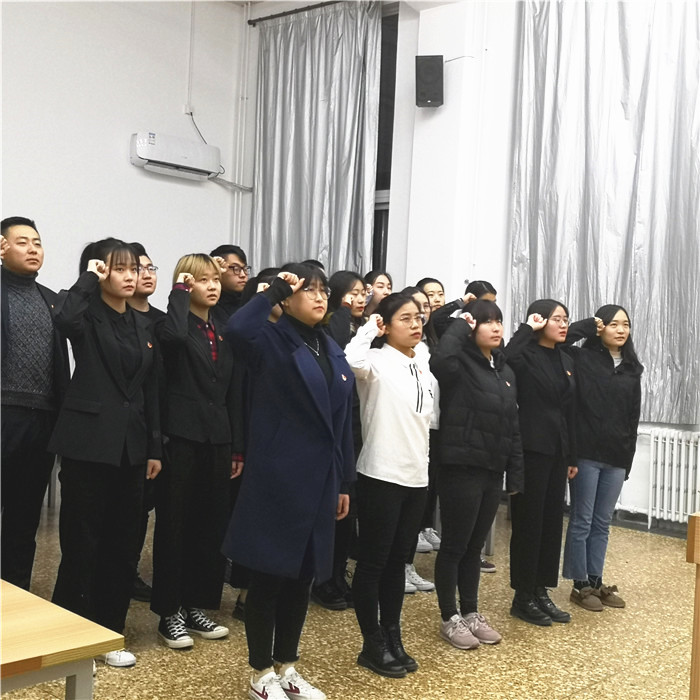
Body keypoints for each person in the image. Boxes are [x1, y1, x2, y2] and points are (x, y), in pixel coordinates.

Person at [222, 265, 355, 700]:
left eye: (323, 291)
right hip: (278, 477)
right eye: (308, 290)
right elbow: (236, 329)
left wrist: (344, 482)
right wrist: (274, 291)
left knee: (302, 579)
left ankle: (287, 666)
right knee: (269, 577)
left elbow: (342, 423)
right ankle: (260, 672)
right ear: (288, 297)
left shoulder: (329, 345)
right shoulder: (270, 339)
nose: (319, 297)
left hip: (321, 479)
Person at [49, 238, 162, 667]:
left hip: (132, 448)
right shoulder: (84, 313)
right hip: (89, 444)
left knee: (123, 545)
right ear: (100, 272)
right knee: (82, 542)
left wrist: (153, 447)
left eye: (135, 268)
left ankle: (109, 632)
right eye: (120, 268)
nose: (131, 276)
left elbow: (148, 390)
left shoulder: (142, 324)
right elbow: (63, 319)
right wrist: (88, 279)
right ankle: (70, 635)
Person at [150, 254, 241, 649]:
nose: (212, 286)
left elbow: (233, 390)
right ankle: (168, 612)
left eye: (215, 279)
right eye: (202, 280)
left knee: (210, 526)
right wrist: (179, 292)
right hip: (182, 436)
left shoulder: (222, 328)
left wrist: (237, 446)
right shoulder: (173, 323)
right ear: (186, 284)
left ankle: (194, 605)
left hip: (218, 438)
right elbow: (171, 338)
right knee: (175, 526)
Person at [345, 293, 436, 678]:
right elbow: (351, 360)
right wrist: (371, 327)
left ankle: (392, 636)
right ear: (386, 325)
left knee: (399, 562)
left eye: (418, 317)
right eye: (405, 318)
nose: (415, 324)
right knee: (373, 563)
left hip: (416, 477)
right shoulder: (375, 361)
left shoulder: (423, 361)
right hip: (381, 475)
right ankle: (372, 643)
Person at [430, 300, 523, 649]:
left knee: (474, 547)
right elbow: (439, 360)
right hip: (461, 465)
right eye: (487, 322)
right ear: (472, 329)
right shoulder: (458, 363)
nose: (496, 327)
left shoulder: (504, 370)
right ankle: (449, 617)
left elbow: (513, 426)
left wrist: (515, 474)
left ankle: (470, 612)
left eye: (499, 321)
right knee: (454, 545)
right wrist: (460, 323)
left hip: (492, 469)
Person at [0, 217, 70, 590]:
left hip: (42, 421)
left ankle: (15, 595)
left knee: (24, 520)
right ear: (2, 247)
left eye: (37, 243)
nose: (32, 249)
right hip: (3, 414)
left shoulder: (52, 299)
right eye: (22, 242)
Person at [562, 305, 643, 611]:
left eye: (626, 324)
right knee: (582, 520)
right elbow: (561, 341)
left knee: (602, 523)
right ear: (601, 328)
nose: (621, 330)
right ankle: (579, 584)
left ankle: (596, 581)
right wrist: (588, 325)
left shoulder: (632, 368)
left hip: (616, 455)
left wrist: (628, 459)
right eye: (613, 324)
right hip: (586, 452)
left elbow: (632, 417)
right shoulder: (582, 358)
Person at [503, 299, 577, 626]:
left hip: (557, 450)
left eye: (566, 319)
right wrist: (526, 328)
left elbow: (569, 410)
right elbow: (505, 358)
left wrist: (571, 455)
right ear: (540, 321)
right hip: (530, 449)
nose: (563, 324)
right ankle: (522, 596)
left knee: (550, 524)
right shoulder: (525, 355)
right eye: (556, 319)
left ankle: (541, 590)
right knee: (528, 523)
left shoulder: (565, 358)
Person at [310, 270, 367, 611]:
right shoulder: (332, 326)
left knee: (349, 509)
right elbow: (341, 351)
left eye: (363, 293)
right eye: (352, 293)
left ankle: (338, 574)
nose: (360, 299)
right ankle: (323, 579)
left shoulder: (368, 327)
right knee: (333, 510)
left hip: (358, 425)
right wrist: (342, 310)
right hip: (335, 424)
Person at [127, 242, 165, 603]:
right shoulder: (117, 318)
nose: (147, 274)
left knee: (143, 509)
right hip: (128, 425)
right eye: (139, 268)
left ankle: (131, 570)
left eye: (151, 268)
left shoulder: (163, 321)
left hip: (160, 425)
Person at [210, 243, 250, 316]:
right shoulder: (207, 304)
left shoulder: (251, 301)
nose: (243, 275)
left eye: (245, 269)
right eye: (236, 268)